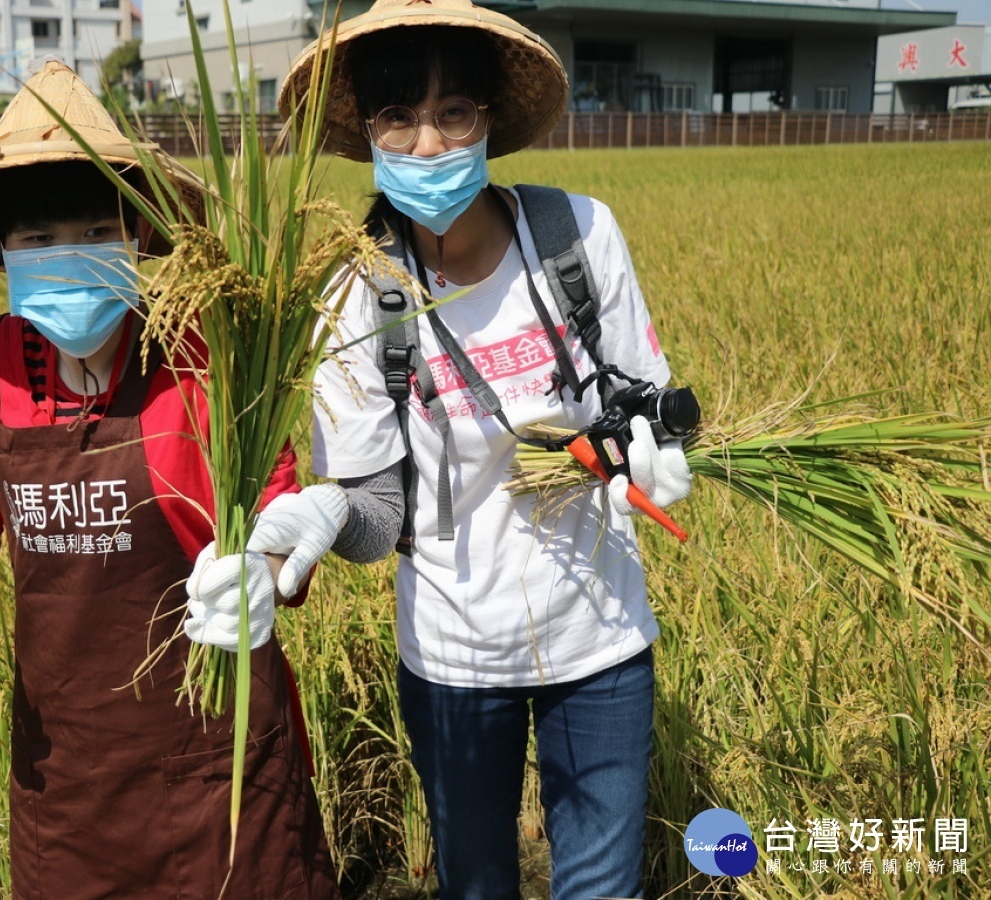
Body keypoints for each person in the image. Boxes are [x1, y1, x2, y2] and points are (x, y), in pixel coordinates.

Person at [267, 1, 695, 897]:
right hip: (454, 654)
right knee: (475, 884)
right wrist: (332, 509)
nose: (428, 144)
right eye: (399, 116)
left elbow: (644, 398)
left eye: (453, 112)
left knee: (602, 888)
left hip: (602, 634)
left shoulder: (577, 237)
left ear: (488, 119)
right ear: (370, 134)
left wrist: (655, 451)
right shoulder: (357, 292)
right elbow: (382, 514)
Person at [0, 59, 339, 899]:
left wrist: (269, 576)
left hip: (217, 757)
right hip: (68, 774)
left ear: (135, 236)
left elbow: (280, 501)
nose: (68, 259)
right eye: (36, 240)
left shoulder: (206, 347)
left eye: (94, 231)